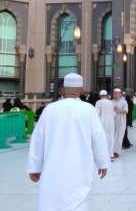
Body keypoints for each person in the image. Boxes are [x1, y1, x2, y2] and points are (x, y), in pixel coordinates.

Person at [27, 73, 109, 211]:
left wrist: (34, 167)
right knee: (78, 201)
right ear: (82, 90)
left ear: (63, 90)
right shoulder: (88, 109)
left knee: (51, 201)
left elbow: (38, 140)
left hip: (53, 167)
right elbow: (98, 138)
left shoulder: (50, 109)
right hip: (80, 166)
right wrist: (103, 163)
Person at [95, 90, 115, 158]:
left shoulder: (98, 102)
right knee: (110, 138)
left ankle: (103, 155)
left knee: (102, 138)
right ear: (106, 95)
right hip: (111, 122)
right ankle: (110, 155)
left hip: (102, 122)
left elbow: (96, 114)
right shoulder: (111, 102)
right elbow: (114, 114)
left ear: (100, 95)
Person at [112, 88, 128, 159]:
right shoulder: (111, 101)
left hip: (121, 121)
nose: (115, 95)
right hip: (112, 121)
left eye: (117, 93)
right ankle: (111, 150)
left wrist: (118, 110)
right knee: (112, 136)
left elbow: (126, 111)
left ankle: (117, 152)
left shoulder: (123, 102)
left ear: (120, 94)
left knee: (119, 137)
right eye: (114, 93)